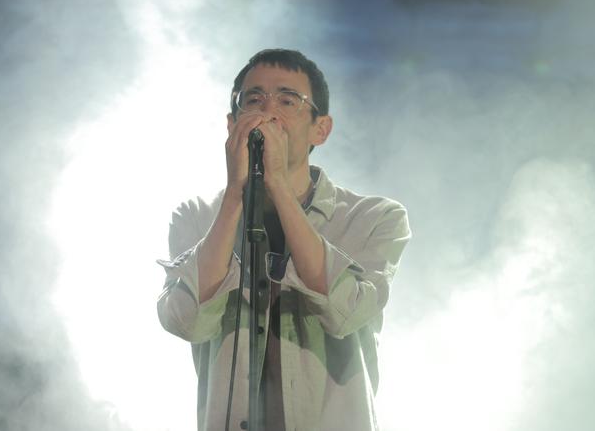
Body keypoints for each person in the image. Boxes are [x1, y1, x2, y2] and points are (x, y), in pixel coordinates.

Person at [157, 49, 411, 431]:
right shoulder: (196, 217)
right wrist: (235, 194)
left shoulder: (373, 218)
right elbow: (187, 321)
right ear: (232, 124)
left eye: (287, 101)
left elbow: (347, 312)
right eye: (254, 100)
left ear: (320, 129)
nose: (268, 113)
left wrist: (276, 183)